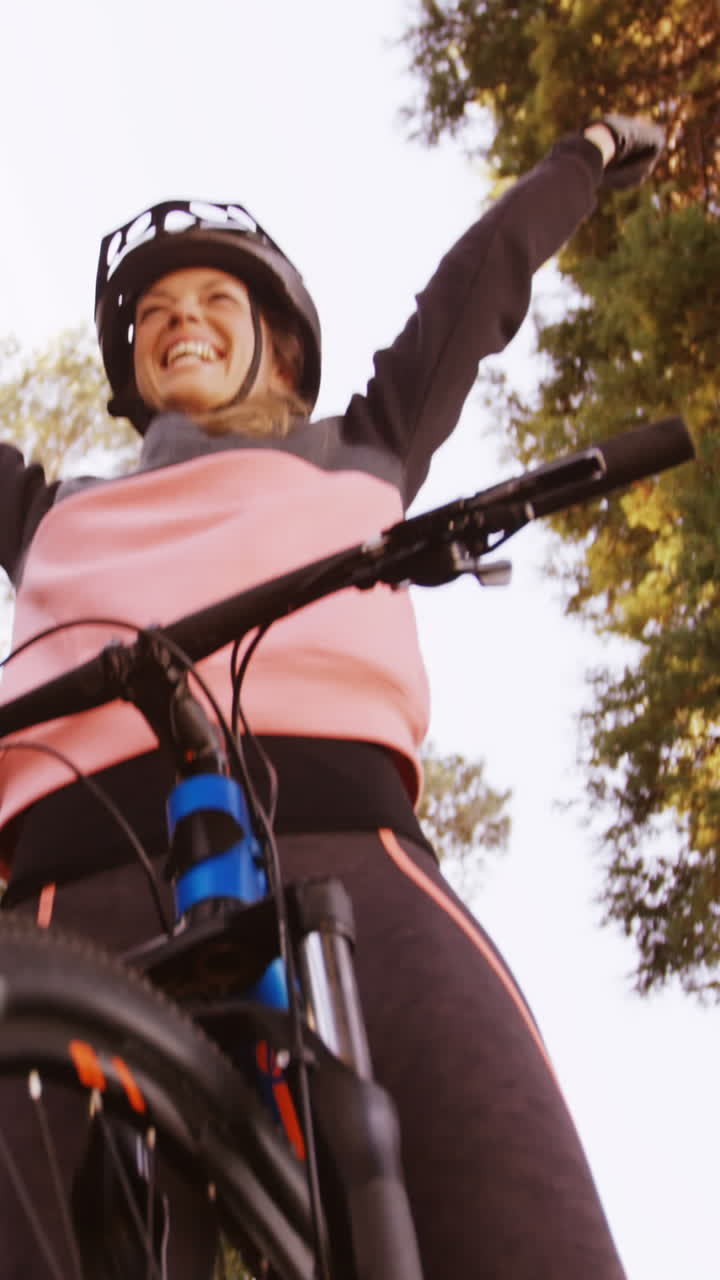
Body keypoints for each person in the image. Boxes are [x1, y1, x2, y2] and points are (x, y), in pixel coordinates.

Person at [0, 113, 664, 1278]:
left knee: (519, 1206)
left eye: (212, 302)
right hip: (70, 881)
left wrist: (587, 155)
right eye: (154, 317)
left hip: (349, 852)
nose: (177, 324)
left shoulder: (365, 445)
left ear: (284, 351)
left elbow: (477, 285)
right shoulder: (52, 514)